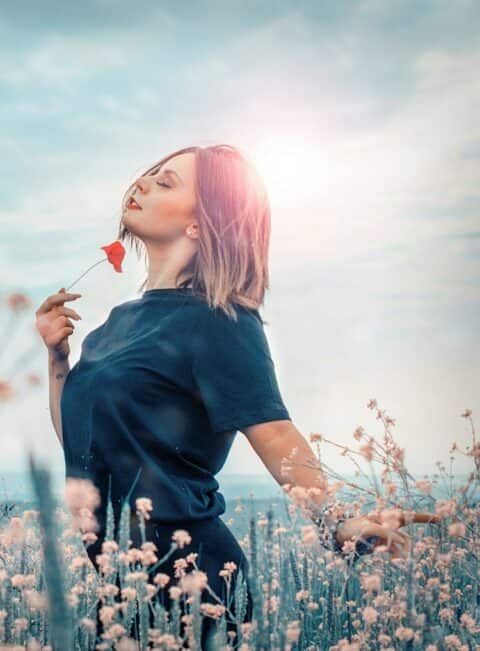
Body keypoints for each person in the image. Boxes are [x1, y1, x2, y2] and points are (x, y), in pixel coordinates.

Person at [34, 144, 443, 649]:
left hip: (192, 581)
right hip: (118, 585)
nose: (141, 184)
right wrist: (57, 362)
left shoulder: (220, 319)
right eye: (149, 175)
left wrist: (334, 519)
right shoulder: (117, 324)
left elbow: (272, 428)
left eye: (166, 183)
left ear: (201, 225)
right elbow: (81, 443)